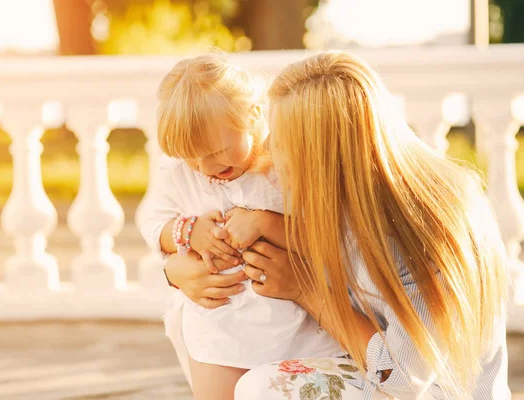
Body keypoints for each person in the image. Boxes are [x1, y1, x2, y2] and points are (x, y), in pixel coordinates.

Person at [164, 51, 510, 399]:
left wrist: (307, 291)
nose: (268, 149)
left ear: (321, 154)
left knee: (263, 388)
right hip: (371, 367)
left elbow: (402, 380)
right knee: (193, 323)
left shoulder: (422, 231)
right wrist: (176, 267)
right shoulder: (346, 201)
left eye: (281, 142)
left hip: (429, 391)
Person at [139, 53, 344, 400]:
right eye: (192, 156)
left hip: (296, 323)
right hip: (219, 322)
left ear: (252, 116)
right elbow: (151, 222)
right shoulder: (180, 174)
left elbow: (325, 236)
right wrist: (186, 233)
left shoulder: (281, 167)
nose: (205, 166)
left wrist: (266, 223)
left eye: (218, 150)